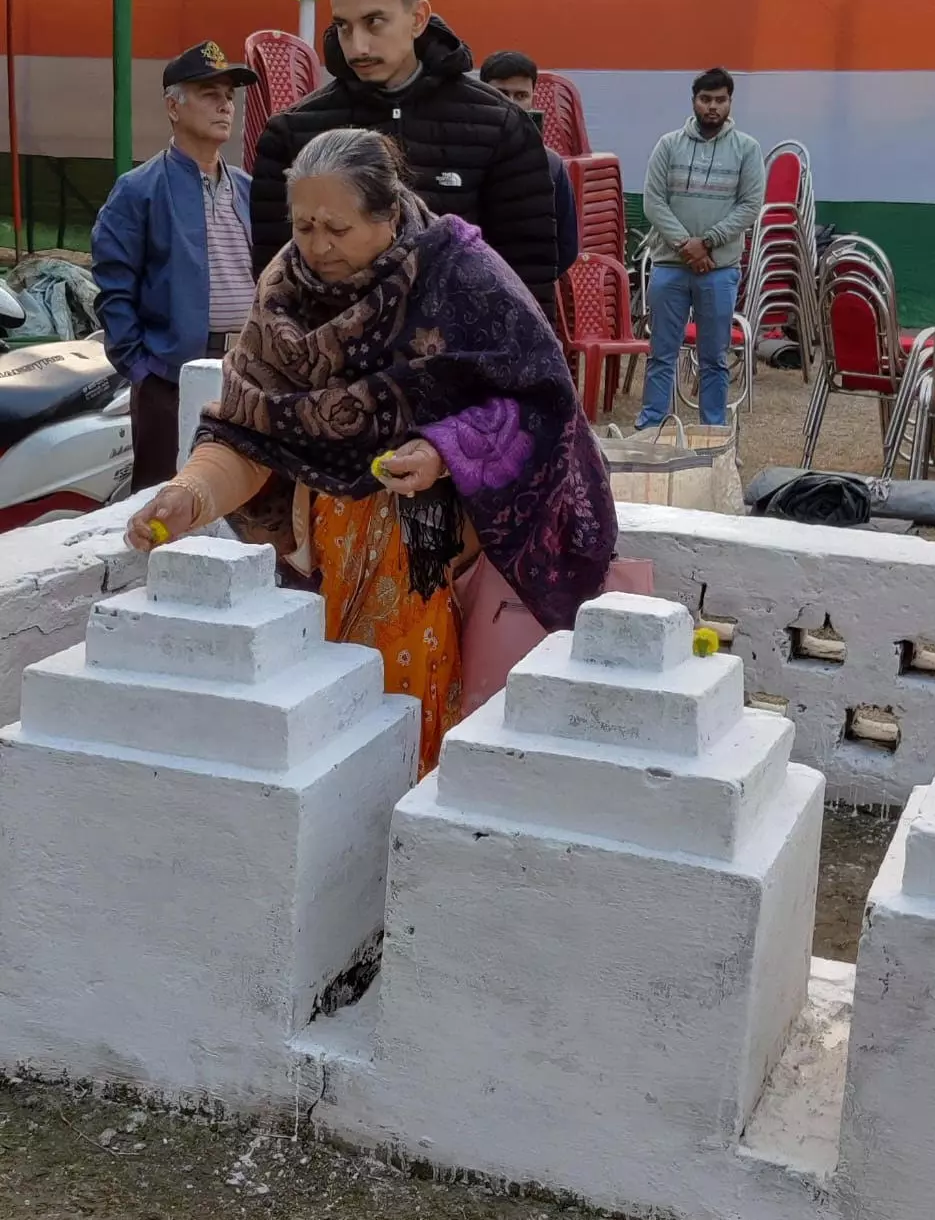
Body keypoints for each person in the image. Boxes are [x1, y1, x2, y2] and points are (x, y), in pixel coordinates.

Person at [126, 128, 617, 777]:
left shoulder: (460, 275)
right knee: (311, 741)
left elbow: (539, 399)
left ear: (387, 217)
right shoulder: (285, 298)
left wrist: (443, 449)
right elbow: (249, 432)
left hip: (418, 550)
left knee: (391, 730)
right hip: (310, 563)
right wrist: (191, 492)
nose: (316, 247)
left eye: (337, 227)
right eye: (303, 226)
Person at [250, 0, 559, 319]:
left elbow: (527, 283)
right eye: (343, 26)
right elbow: (274, 288)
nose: (357, 46)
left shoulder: (501, 128)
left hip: (459, 366)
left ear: (417, 18)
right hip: (330, 372)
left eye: (374, 21)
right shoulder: (293, 134)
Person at [92, 42, 258, 491]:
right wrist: (143, 371)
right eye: (209, 93)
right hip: (170, 378)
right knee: (164, 499)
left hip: (246, 372)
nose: (225, 105)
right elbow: (114, 289)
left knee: (242, 500)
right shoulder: (138, 191)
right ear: (173, 106)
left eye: (229, 94)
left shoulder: (248, 189)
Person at [635, 68, 765, 430]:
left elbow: (749, 206)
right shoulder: (668, 145)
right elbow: (653, 203)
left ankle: (713, 432)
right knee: (661, 353)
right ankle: (651, 430)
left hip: (719, 270)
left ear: (729, 102)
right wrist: (685, 246)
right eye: (705, 99)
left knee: (714, 358)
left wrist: (706, 243)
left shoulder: (747, 150)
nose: (712, 107)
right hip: (670, 266)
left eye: (720, 100)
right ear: (694, 101)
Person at [480, 50, 579, 277]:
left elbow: (567, 246)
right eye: (502, 93)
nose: (512, 104)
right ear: (482, 93)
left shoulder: (552, 165)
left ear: (533, 97)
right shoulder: (463, 155)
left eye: (521, 95)